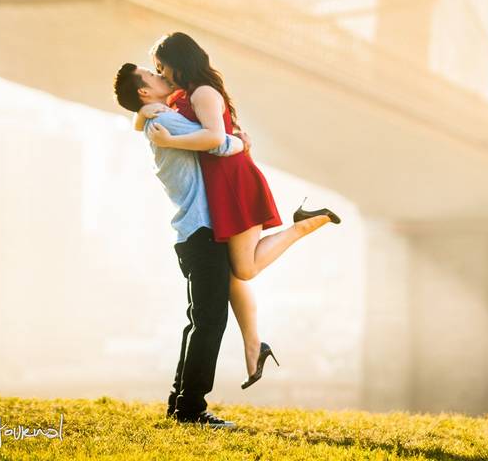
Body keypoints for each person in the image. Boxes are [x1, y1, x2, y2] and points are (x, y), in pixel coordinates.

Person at [136, 31, 340, 387]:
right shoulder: (183, 95)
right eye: (156, 70)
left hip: (233, 184)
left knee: (243, 271)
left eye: (162, 67)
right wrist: (145, 114)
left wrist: (171, 140)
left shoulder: (203, 92)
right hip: (218, 188)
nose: (161, 74)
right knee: (231, 273)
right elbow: (150, 118)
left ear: (179, 62)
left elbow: (215, 137)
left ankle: (301, 226)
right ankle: (252, 347)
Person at [113, 62, 242, 429]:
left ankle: (180, 402)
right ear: (143, 92)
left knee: (199, 321)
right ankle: (191, 409)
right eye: (153, 76)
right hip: (201, 231)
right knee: (210, 321)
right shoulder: (164, 122)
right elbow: (217, 142)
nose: (162, 77)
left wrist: (141, 115)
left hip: (192, 233)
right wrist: (241, 141)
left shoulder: (157, 117)